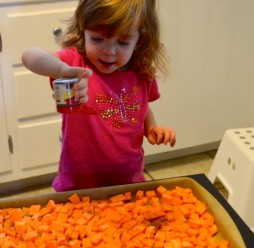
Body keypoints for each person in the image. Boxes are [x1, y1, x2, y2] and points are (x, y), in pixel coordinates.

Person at [22, 0, 176, 192]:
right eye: (97, 39)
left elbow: (142, 107)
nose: (109, 51)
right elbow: (30, 56)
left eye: (122, 42)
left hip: (129, 182)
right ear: (83, 31)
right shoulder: (76, 64)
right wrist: (63, 70)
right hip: (79, 187)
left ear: (140, 39)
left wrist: (152, 127)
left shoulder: (142, 73)